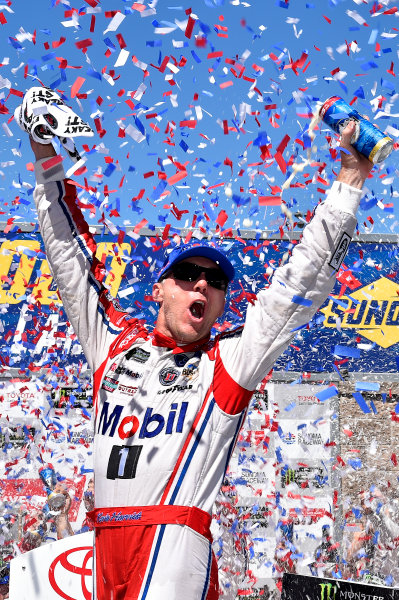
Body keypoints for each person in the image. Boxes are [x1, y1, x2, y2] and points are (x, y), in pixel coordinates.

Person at [24, 85, 372, 600]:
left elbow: (301, 282)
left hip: (173, 541)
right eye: (187, 274)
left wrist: (349, 180)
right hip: (103, 544)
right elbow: (70, 262)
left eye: (215, 281)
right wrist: (46, 161)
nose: (202, 285)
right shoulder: (112, 345)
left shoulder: (229, 359)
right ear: (160, 288)